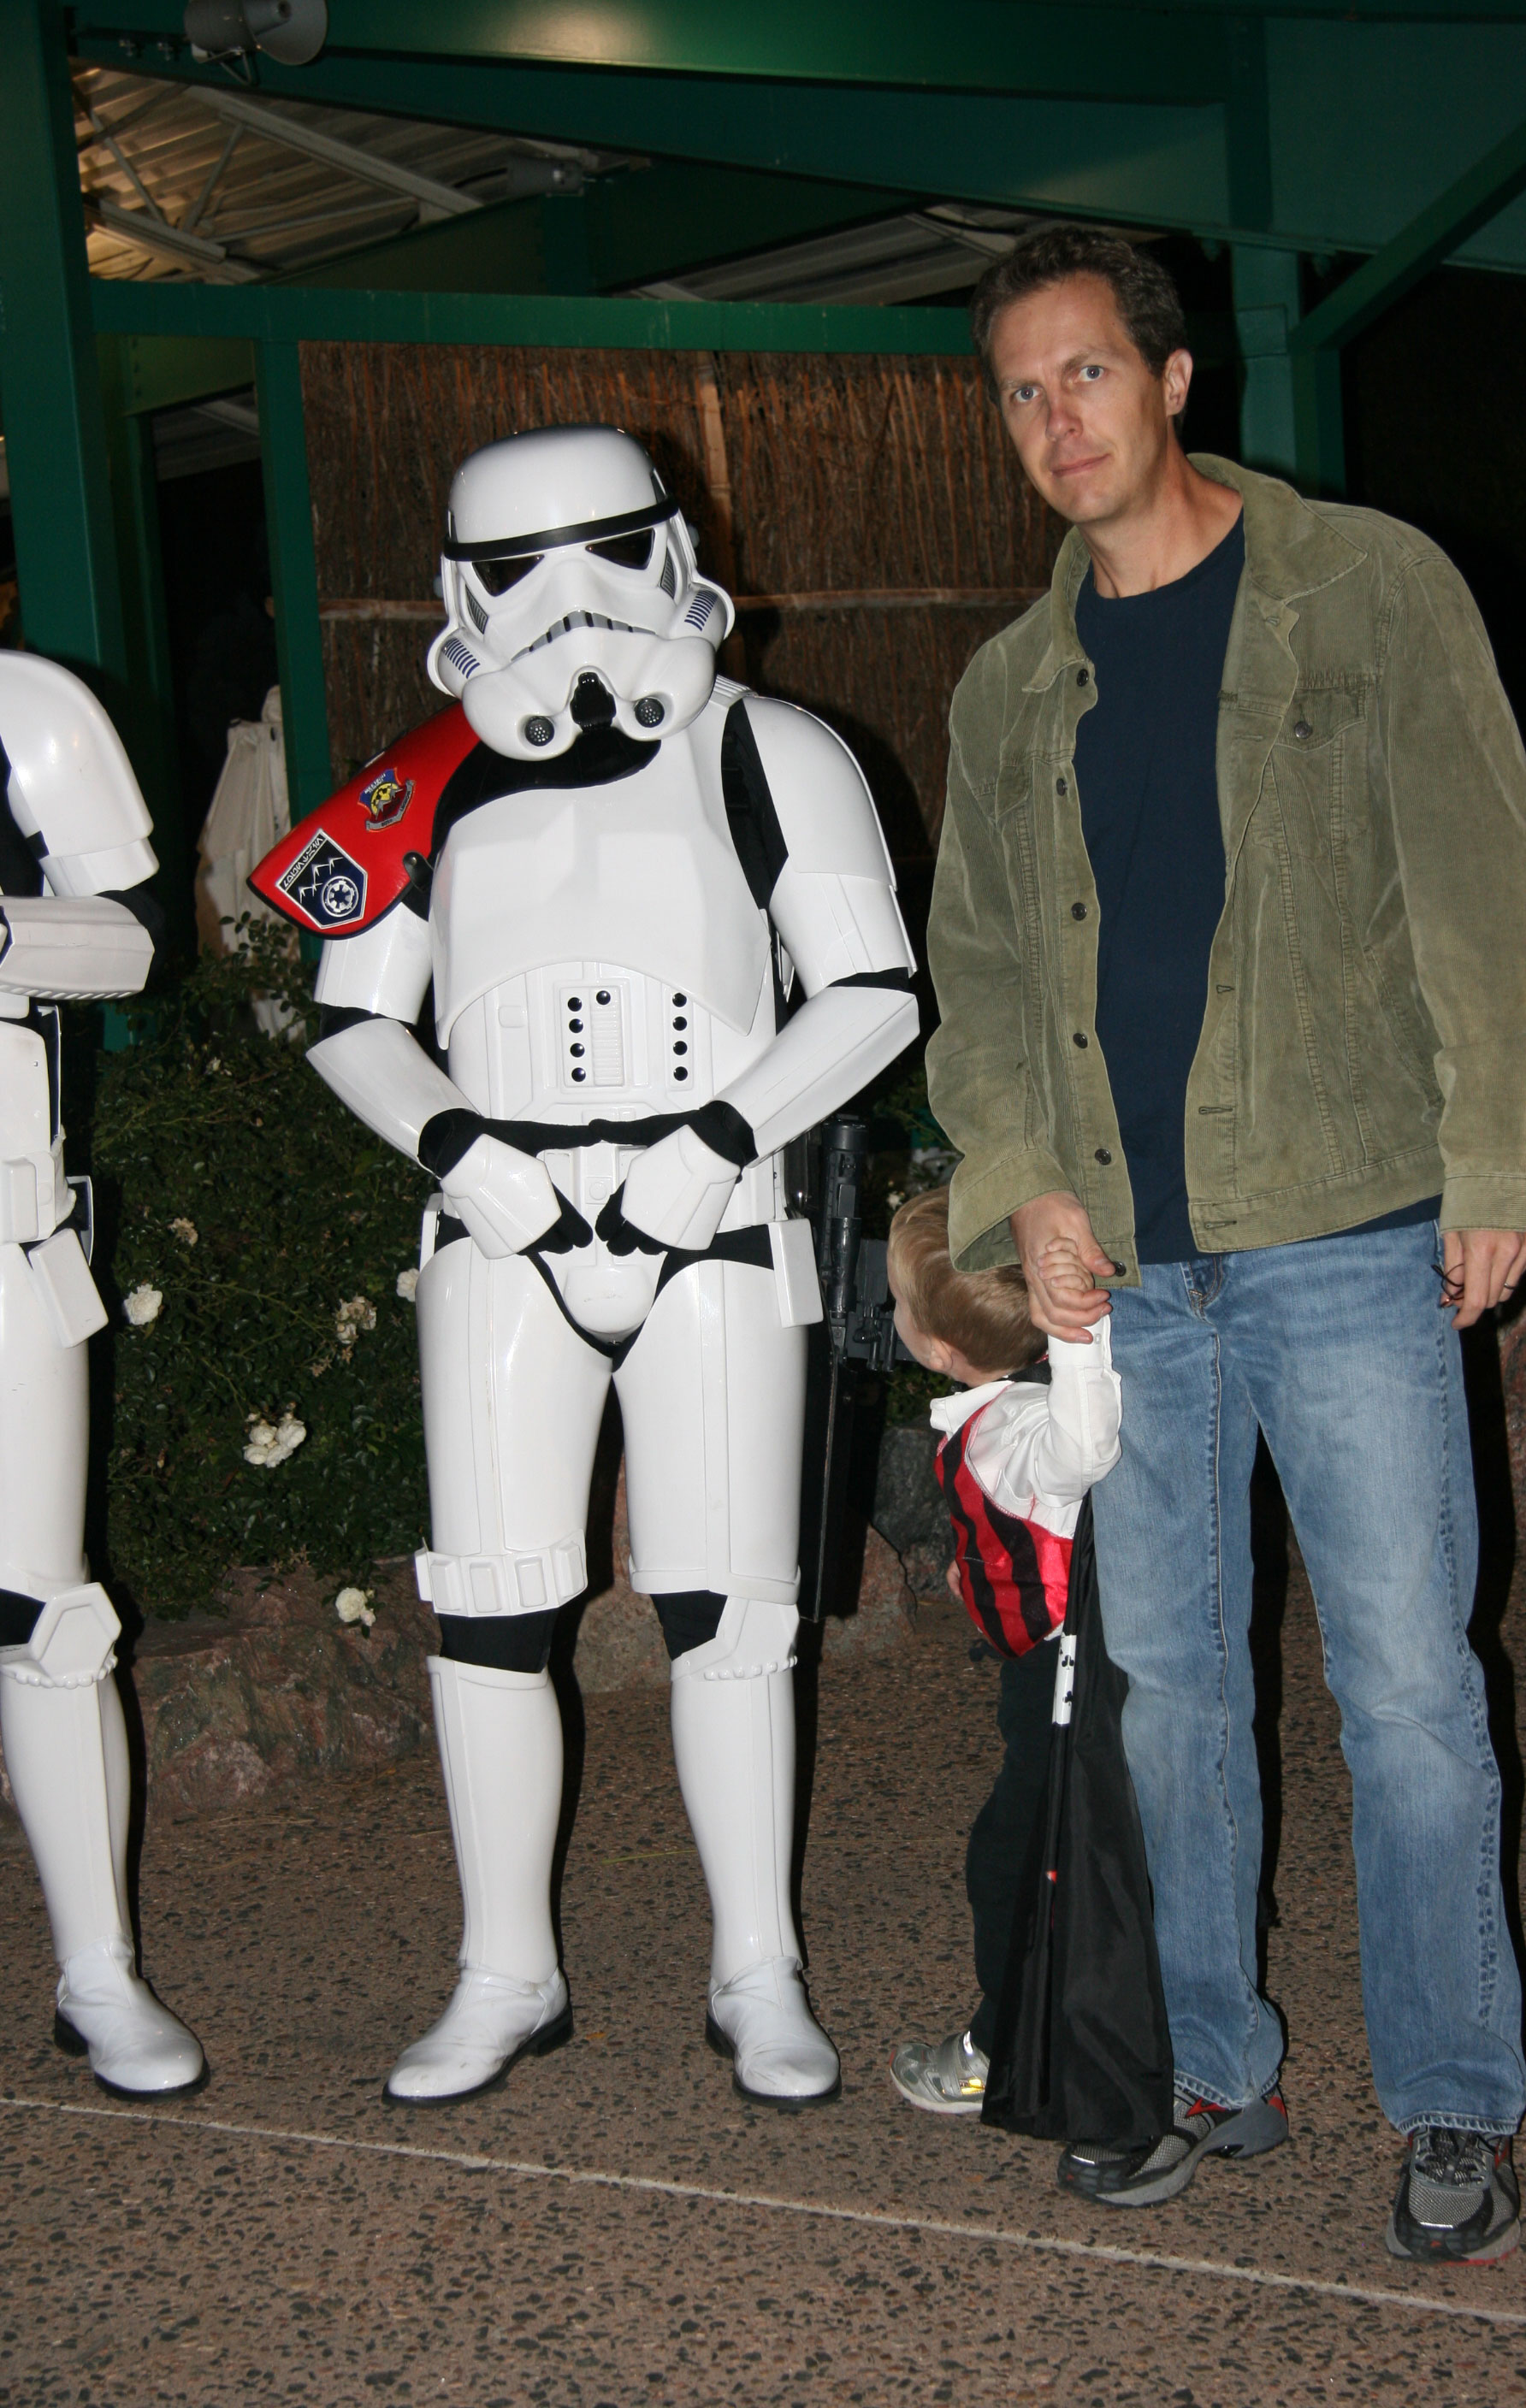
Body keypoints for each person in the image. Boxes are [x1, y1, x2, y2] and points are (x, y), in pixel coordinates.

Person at [926, 225, 1526, 2262]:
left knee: (1406, 1690)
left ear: (1171, 378)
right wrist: (1023, 1184)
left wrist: (1502, 1163)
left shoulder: (1365, 590)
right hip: (1127, 1274)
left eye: (1084, 372)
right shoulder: (1007, 686)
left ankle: (1450, 2090)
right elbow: (977, 979)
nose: (1056, 419)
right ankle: (1210, 2056)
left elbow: (1491, 894)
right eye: (1020, 390)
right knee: (1167, 1700)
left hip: (1346, 1231)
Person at [251, 426, 918, 2110]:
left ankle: (756, 1964)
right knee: (488, 1605)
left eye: (608, 554)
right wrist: (468, 1156)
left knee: (734, 1610)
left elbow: (871, 992)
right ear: (463, 593)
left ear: (672, 550)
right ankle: (504, 1968)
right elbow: (350, 1016)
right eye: (522, 572)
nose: (573, 606)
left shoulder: (772, 751)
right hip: (499, 1229)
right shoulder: (426, 781)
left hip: (716, 1221)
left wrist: (710, 1144)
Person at [0, 654, 204, 2098]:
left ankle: (99, 1971)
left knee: (46, 1615)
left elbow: (135, 937)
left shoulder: (22, 712)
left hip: (7, 1232)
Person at [884, 1189, 1169, 2156]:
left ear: (938, 1346)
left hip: (1060, 1684)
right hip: (1042, 1673)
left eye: (898, 1303)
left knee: (1014, 1862)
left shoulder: (1016, 1429)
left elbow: (1081, 1449)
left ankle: (1004, 2040)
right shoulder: (998, 1413)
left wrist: (1077, 1333)